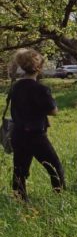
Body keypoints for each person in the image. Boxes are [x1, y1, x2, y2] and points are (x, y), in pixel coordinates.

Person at [7, 49, 65, 201]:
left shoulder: (15, 87)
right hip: (35, 135)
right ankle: (60, 197)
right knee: (55, 166)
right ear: (39, 68)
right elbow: (53, 111)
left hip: (18, 134)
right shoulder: (41, 89)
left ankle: (20, 199)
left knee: (20, 170)